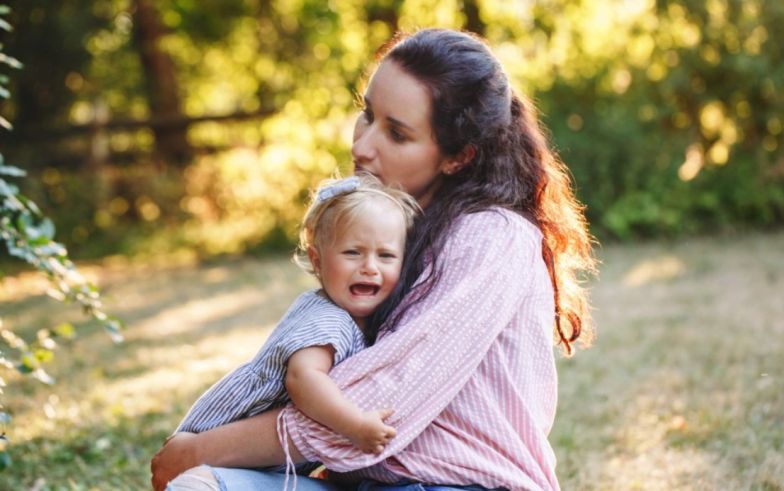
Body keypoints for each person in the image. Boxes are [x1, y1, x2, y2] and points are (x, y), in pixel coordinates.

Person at [151, 28, 595, 491]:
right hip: (365, 485)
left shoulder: (492, 236)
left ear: (458, 157)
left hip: (458, 487)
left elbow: (381, 404)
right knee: (201, 486)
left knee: (194, 471)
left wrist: (198, 449)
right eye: (367, 115)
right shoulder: (398, 230)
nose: (362, 146)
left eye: (396, 133)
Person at [167, 174, 419, 488]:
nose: (370, 266)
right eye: (353, 252)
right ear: (317, 261)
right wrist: (355, 425)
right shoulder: (329, 320)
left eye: (386, 256)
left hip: (261, 460)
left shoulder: (358, 320)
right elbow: (303, 380)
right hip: (223, 441)